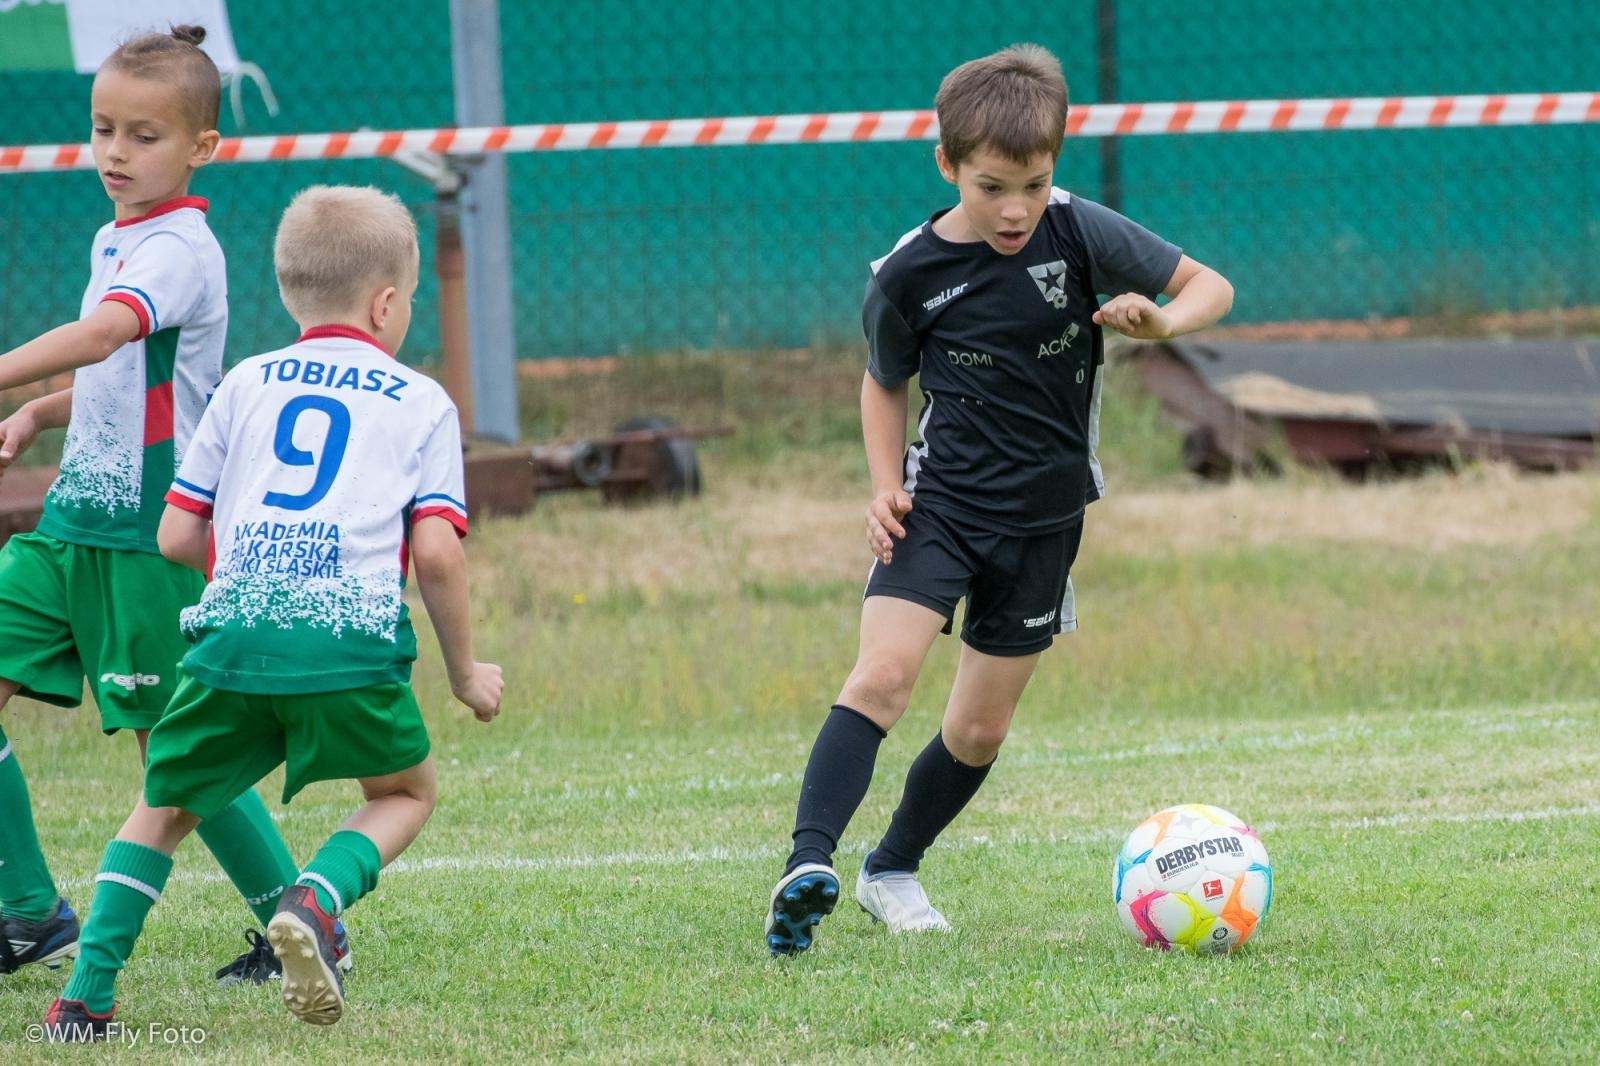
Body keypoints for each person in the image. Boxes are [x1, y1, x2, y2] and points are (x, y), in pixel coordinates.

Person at [764, 43, 1234, 955]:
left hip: (1047, 520)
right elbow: (882, 380)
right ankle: (806, 865)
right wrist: (884, 484)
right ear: (947, 165)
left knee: (978, 730)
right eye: (991, 187)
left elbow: (1210, 286)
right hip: (938, 507)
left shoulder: (1079, 231)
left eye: (1033, 184)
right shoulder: (905, 274)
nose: (1016, 209)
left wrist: (1162, 321)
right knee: (883, 676)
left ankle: (891, 871)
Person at [43, 184, 503, 1038]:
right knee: (405, 791)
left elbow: (177, 534)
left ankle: (84, 998)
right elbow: (438, 553)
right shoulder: (421, 401)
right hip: (347, 643)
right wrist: (467, 674)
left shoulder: (244, 384)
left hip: (230, 638)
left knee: (163, 805)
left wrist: (250, 576)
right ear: (387, 304)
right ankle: (315, 899)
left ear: (292, 292)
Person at [0, 25, 319, 986]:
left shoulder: (180, 248)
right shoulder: (119, 236)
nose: (115, 152)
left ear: (201, 146)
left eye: (144, 135)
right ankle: (28, 913)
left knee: (175, 753)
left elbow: (106, 335)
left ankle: (300, 925)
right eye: (104, 128)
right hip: (67, 531)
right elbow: (131, 376)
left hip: (147, 539)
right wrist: (41, 410)